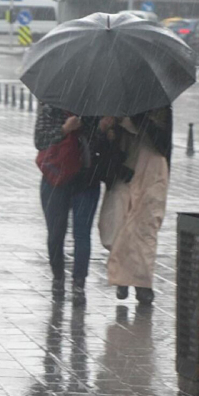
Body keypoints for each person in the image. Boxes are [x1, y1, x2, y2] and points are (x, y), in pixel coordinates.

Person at [34, 104, 112, 306]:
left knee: (82, 233)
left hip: (86, 180)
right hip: (55, 179)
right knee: (55, 234)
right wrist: (64, 129)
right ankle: (58, 278)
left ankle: (79, 284)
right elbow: (40, 141)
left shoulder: (96, 106)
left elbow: (101, 149)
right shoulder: (50, 106)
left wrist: (102, 130)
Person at [98, 107, 172, 305]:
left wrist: (137, 119)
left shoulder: (160, 105)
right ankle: (122, 276)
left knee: (144, 227)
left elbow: (162, 142)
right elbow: (102, 143)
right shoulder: (113, 100)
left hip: (152, 168)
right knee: (117, 222)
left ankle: (142, 284)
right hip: (124, 167)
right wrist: (110, 130)